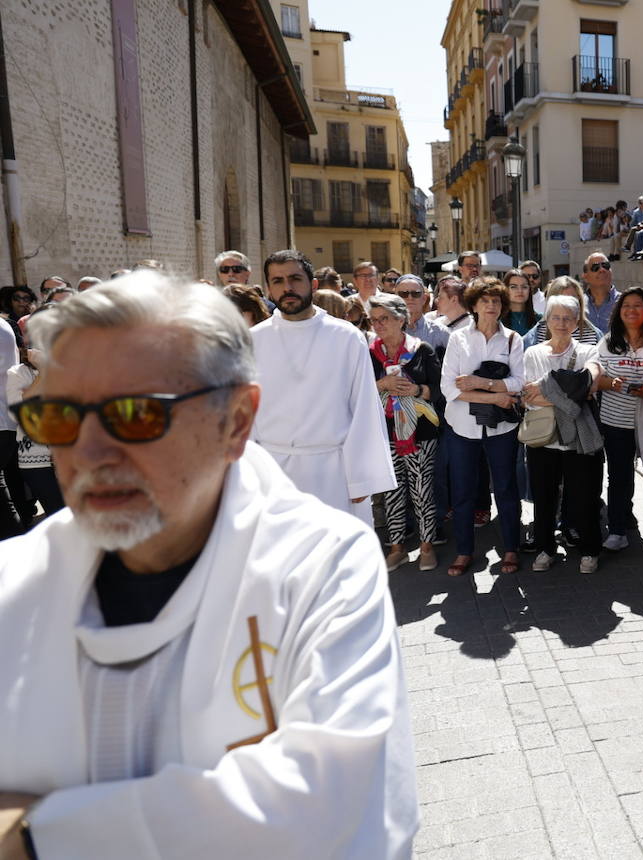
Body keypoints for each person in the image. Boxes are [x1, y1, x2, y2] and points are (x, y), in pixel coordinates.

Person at [0, 273, 417, 857]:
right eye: (60, 419)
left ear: (237, 420)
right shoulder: (13, 580)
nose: (88, 454)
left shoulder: (321, 569)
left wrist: (34, 836)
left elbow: (336, 808)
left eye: (134, 414)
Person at [252, 251, 396, 522]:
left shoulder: (345, 337)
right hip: (272, 474)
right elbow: (243, 416)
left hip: (334, 472)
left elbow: (364, 407)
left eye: (295, 279)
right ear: (269, 289)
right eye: (278, 281)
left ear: (313, 285)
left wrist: (361, 478)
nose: (288, 288)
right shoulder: (253, 340)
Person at [440, 277, 524, 576]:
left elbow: (519, 383)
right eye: (485, 301)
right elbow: (448, 388)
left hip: (501, 430)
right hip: (462, 427)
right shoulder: (458, 339)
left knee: (506, 489)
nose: (491, 306)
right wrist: (495, 396)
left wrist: (482, 383)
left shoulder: (513, 339)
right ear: (473, 305)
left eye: (497, 301)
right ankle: (464, 552)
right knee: (462, 492)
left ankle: (512, 549)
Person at [521, 295, 606, 574]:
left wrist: (549, 390)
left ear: (576, 322)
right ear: (546, 320)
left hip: (580, 438)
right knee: (544, 498)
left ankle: (590, 551)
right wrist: (571, 394)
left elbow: (590, 387)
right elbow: (527, 397)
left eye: (567, 318)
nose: (561, 323)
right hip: (543, 438)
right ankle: (546, 548)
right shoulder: (533, 353)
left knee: (585, 497)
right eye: (555, 317)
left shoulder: (587, 351)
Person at [366, 293, 442, 573]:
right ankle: (397, 548)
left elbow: (440, 388)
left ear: (401, 319)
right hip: (385, 432)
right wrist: (381, 383)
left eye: (384, 318)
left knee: (421, 490)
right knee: (392, 490)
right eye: (374, 320)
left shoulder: (421, 350)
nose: (378, 325)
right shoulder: (369, 352)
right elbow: (358, 391)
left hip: (420, 432)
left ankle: (426, 546)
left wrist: (417, 390)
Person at [593, 288, 643, 556]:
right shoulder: (607, 342)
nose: (632, 310)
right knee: (619, 477)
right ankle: (617, 531)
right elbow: (595, 378)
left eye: (638, 305)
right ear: (618, 311)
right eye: (626, 306)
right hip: (616, 420)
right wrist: (612, 383)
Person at [5, 312, 63, 520]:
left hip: (74, 455)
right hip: (36, 460)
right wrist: (44, 373)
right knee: (58, 517)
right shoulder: (18, 373)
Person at [524, 276, 602, 348]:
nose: (566, 304)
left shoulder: (594, 334)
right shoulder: (537, 333)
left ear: (579, 301)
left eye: (571, 299)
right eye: (560, 299)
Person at [395, 274, 448, 351]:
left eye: (415, 294)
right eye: (404, 294)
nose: (410, 298)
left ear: (424, 299)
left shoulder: (440, 333)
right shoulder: (385, 331)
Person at [581, 252, 620, 334]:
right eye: (595, 267)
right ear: (585, 277)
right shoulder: (578, 305)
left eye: (605, 266)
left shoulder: (624, 302)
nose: (602, 270)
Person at [500, 268, 541, 337]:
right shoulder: (497, 320)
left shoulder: (539, 320)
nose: (520, 291)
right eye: (513, 287)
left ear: (529, 290)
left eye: (524, 287)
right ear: (505, 289)